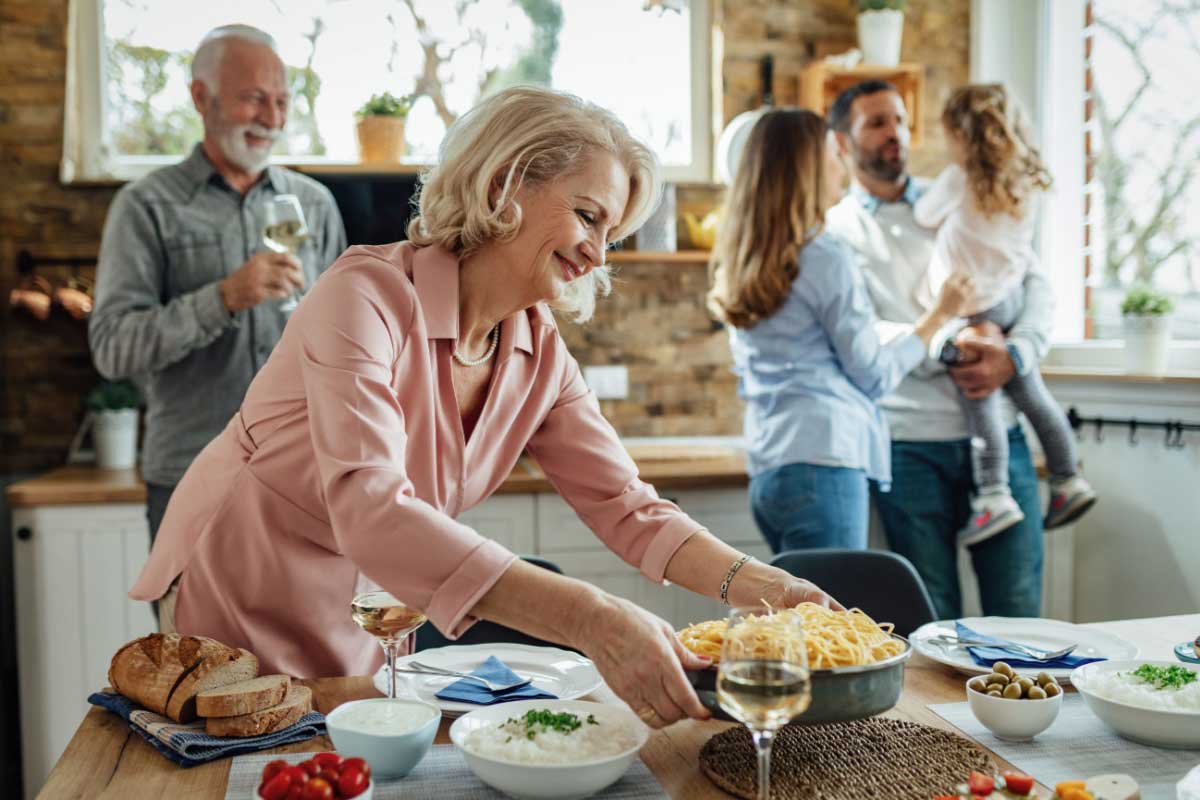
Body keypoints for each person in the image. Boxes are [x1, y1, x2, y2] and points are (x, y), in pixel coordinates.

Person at [129, 86, 841, 729]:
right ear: (504, 185)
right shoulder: (365, 297)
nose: (596, 254)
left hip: (368, 616)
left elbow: (628, 507)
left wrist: (766, 586)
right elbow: (371, 507)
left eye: (611, 236)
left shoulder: (538, 353)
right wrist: (593, 619)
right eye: (587, 217)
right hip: (240, 588)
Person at [89, 25, 347, 545]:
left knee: (308, 630)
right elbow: (113, 349)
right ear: (200, 98)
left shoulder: (315, 203)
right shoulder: (145, 207)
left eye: (281, 101)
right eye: (254, 99)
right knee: (192, 631)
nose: (272, 119)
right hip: (191, 479)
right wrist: (224, 298)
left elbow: (350, 339)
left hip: (306, 477)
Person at [824, 79, 1051, 620]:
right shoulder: (835, 234)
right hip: (909, 446)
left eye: (900, 120)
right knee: (930, 620)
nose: (894, 134)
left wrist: (1015, 354)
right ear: (841, 143)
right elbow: (864, 333)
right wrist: (951, 347)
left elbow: (1035, 282)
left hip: (1002, 433)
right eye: (876, 123)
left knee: (1019, 612)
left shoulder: (962, 192)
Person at [707, 109, 973, 555]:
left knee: (796, 624)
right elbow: (871, 375)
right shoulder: (826, 256)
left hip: (771, 472)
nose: (842, 163)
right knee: (827, 620)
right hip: (823, 466)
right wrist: (937, 318)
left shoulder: (747, 258)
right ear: (807, 167)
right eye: (834, 152)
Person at [915, 84, 1096, 544]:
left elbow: (923, 214)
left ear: (961, 134)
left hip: (974, 302)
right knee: (1030, 391)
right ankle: (1068, 477)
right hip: (1011, 298)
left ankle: (993, 494)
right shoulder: (1026, 181)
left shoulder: (959, 180)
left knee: (980, 397)